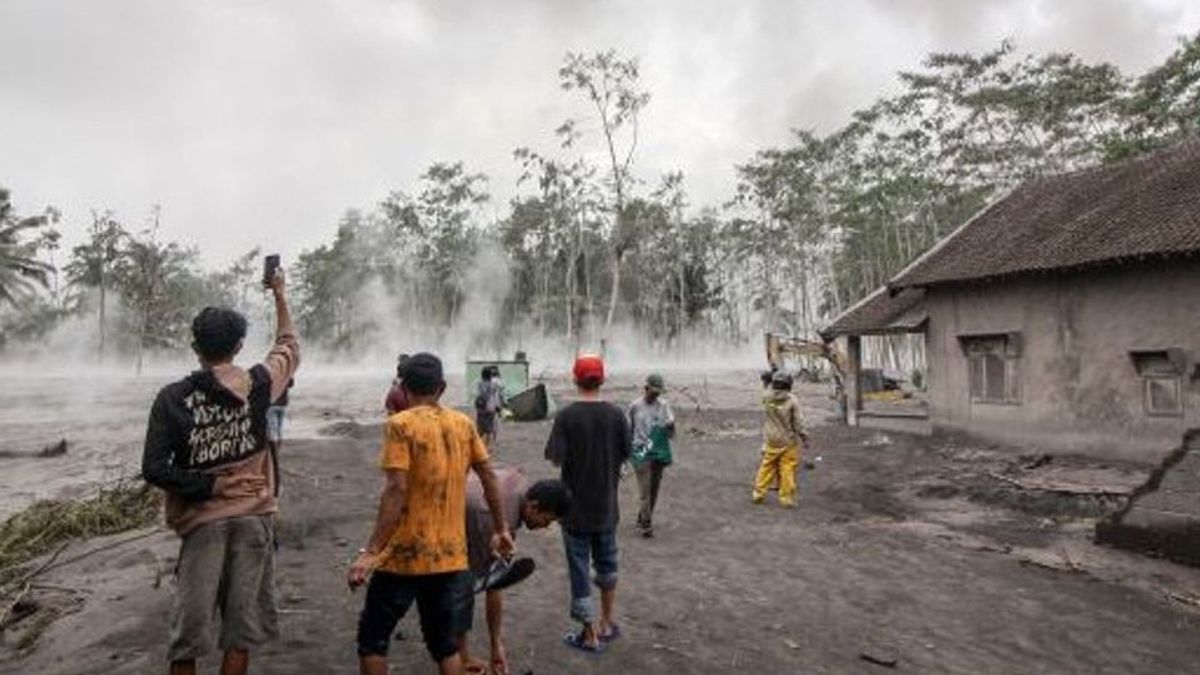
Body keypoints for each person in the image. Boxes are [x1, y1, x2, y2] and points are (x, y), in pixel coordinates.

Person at [141, 269, 299, 675]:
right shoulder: (259, 383)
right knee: (240, 630)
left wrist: (210, 485)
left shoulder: (172, 398)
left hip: (201, 524)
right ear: (240, 345)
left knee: (187, 638)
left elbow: (154, 468)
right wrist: (279, 294)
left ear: (195, 346)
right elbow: (289, 344)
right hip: (252, 519)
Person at [348, 352, 516, 675]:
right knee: (444, 645)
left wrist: (371, 552)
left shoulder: (401, 425)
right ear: (441, 388)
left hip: (403, 555)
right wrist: (502, 527)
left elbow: (396, 489)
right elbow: (488, 475)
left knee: (373, 640)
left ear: (404, 388)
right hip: (450, 557)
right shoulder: (462, 424)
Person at [544, 353, 631, 653]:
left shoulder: (567, 416)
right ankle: (607, 623)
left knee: (579, 568)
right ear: (602, 380)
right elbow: (626, 454)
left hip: (575, 509)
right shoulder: (617, 415)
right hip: (607, 506)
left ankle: (589, 634)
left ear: (575, 379)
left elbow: (556, 457)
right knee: (607, 565)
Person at [457, 468, 572, 675]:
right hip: (442, 517)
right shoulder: (494, 519)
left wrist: (496, 645)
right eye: (546, 520)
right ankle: (460, 659)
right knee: (462, 587)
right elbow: (467, 587)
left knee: (481, 578)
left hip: (463, 502)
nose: (544, 527)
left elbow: (496, 583)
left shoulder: (521, 484)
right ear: (533, 506)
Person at [628, 373, 675, 538]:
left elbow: (670, 431)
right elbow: (629, 429)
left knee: (654, 489)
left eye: (658, 392)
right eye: (653, 391)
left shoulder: (664, 406)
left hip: (658, 450)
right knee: (645, 489)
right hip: (640, 450)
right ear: (646, 388)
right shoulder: (635, 406)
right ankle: (646, 524)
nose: (656, 395)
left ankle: (643, 516)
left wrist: (670, 426)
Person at [752, 370, 808, 507]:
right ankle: (786, 498)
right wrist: (804, 437)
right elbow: (798, 422)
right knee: (787, 469)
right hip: (788, 441)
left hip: (771, 440)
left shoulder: (766, 397)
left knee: (766, 466)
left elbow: (765, 387)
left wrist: (766, 380)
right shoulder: (792, 400)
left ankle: (758, 493)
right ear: (789, 385)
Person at [474, 365, 506, 447]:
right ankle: (486, 446)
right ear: (490, 376)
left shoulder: (479, 384)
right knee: (489, 430)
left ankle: (476, 444)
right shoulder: (494, 385)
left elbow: (477, 395)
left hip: (481, 408)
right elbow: (496, 397)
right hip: (490, 409)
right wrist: (498, 407)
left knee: (479, 428)